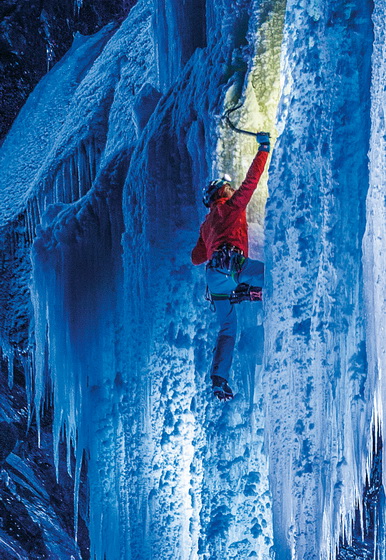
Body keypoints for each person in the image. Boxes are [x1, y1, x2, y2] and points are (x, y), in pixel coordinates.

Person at [191, 133, 270, 401]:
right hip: (233, 265)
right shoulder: (231, 207)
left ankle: (219, 379)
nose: (231, 188)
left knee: (227, 329)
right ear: (220, 193)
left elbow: (196, 257)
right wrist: (263, 149)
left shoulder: (206, 224)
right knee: (274, 278)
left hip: (214, 279)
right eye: (227, 187)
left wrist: (209, 236)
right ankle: (248, 292)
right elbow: (251, 182)